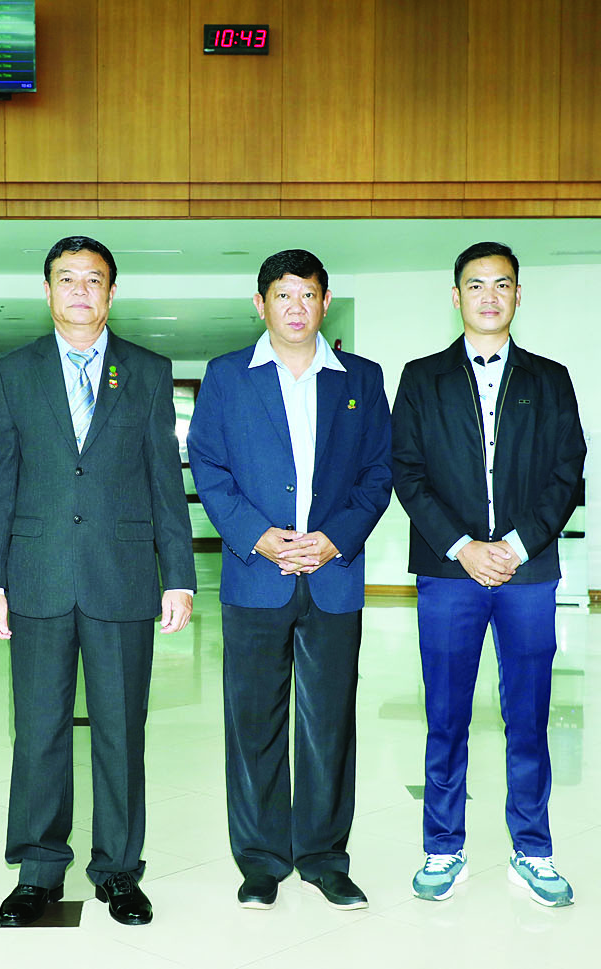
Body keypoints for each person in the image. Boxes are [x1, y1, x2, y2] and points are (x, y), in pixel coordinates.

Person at [0, 236, 196, 927]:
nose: (79, 290)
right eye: (66, 279)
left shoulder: (149, 370)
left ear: (111, 292)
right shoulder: (12, 371)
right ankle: (39, 869)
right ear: (46, 291)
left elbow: (165, 480)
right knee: (39, 730)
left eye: (93, 279)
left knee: (121, 732)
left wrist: (179, 576)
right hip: (35, 576)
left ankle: (119, 870)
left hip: (121, 577)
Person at [187, 249, 392, 912]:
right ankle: (261, 860)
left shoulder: (362, 378)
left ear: (324, 303)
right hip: (257, 574)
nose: (295, 307)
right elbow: (209, 464)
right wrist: (257, 534)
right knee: (253, 724)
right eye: (282, 295)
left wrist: (334, 539)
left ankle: (325, 858)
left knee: (329, 725)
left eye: (308, 295)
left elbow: (379, 472)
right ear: (261, 304)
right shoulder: (227, 376)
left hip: (333, 575)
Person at [391, 241, 585, 907]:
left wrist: (518, 544)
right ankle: (442, 846)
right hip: (449, 573)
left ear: (518, 294)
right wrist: (463, 547)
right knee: (446, 716)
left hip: (528, 574)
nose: (489, 296)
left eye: (502, 284)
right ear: (456, 296)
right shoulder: (421, 377)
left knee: (528, 716)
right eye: (476, 284)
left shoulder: (550, 378)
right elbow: (406, 473)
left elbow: (567, 471)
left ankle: (533, 850)